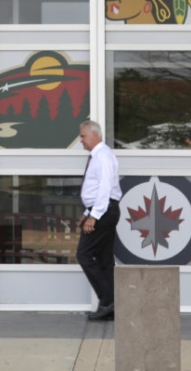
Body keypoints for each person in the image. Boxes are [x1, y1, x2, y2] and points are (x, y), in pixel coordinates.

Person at [76, 119, 122, 321]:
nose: (81, 141)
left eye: (83, 136)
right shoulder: (99, 156)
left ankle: (108, 300)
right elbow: (98, 190)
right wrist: (88, 212)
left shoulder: (102, 156)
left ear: (95, 134)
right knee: (104, 260)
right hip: (102, 210)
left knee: (84, 255)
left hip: (103, 211)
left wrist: (94, 216)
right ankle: (109, 306)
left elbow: (104, 188)